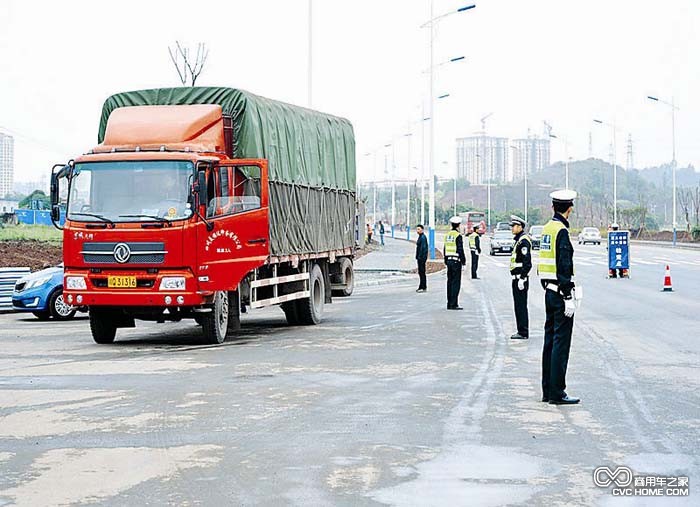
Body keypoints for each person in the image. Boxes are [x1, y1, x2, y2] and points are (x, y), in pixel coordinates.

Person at [538, 189, 580, 405]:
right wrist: (568, 296)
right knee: (560, 345)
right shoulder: (561, 231)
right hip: (559, 294)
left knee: (549, 343)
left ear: (553, 207)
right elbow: (564, 265)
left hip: (548, 292)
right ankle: (557, 393)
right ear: (569, 208)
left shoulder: (547, 229)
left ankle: (547, 390)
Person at [509, 215, 532, 340]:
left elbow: (527, 262)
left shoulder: (524, 241)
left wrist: (522, 278)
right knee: (518, 305)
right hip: (517, 278)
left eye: (514, 226)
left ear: (520, 227)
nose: (512, 228)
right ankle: (521, 330)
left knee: (521, 305)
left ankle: (523, 331)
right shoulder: (518, 240)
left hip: (520, 279)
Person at [444, 216, 466, 309]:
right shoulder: (458, 236)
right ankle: (454, 304)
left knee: (449, 282)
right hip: (456, 262)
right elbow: (460, 249)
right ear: (458, 226)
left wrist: (445, 260)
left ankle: (449, 303)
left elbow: (445, 248)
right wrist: (463, 261)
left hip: (448, 261)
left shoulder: (447, 235)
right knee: (456, 283)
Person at [415, 224, 428, 292]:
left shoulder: (423, 237)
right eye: (417, 229)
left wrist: (421, 257)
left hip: (421, 258)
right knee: (421, 272)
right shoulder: (420, 237)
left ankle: (423, 286)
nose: (418, 231)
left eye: (419, 229)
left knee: (422, 272)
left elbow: (423, 249)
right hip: (420, 258)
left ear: (422, 230)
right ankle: (422, 286)